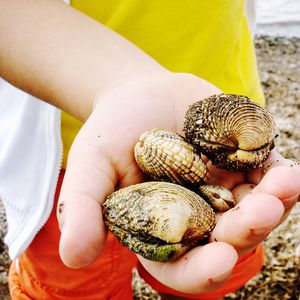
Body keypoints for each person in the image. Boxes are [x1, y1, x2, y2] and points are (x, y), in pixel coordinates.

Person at [0, 1, 299, 299]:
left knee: (202, 277)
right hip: (61, 157)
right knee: (75, 287)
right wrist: (117, 83)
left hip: (221, 99)